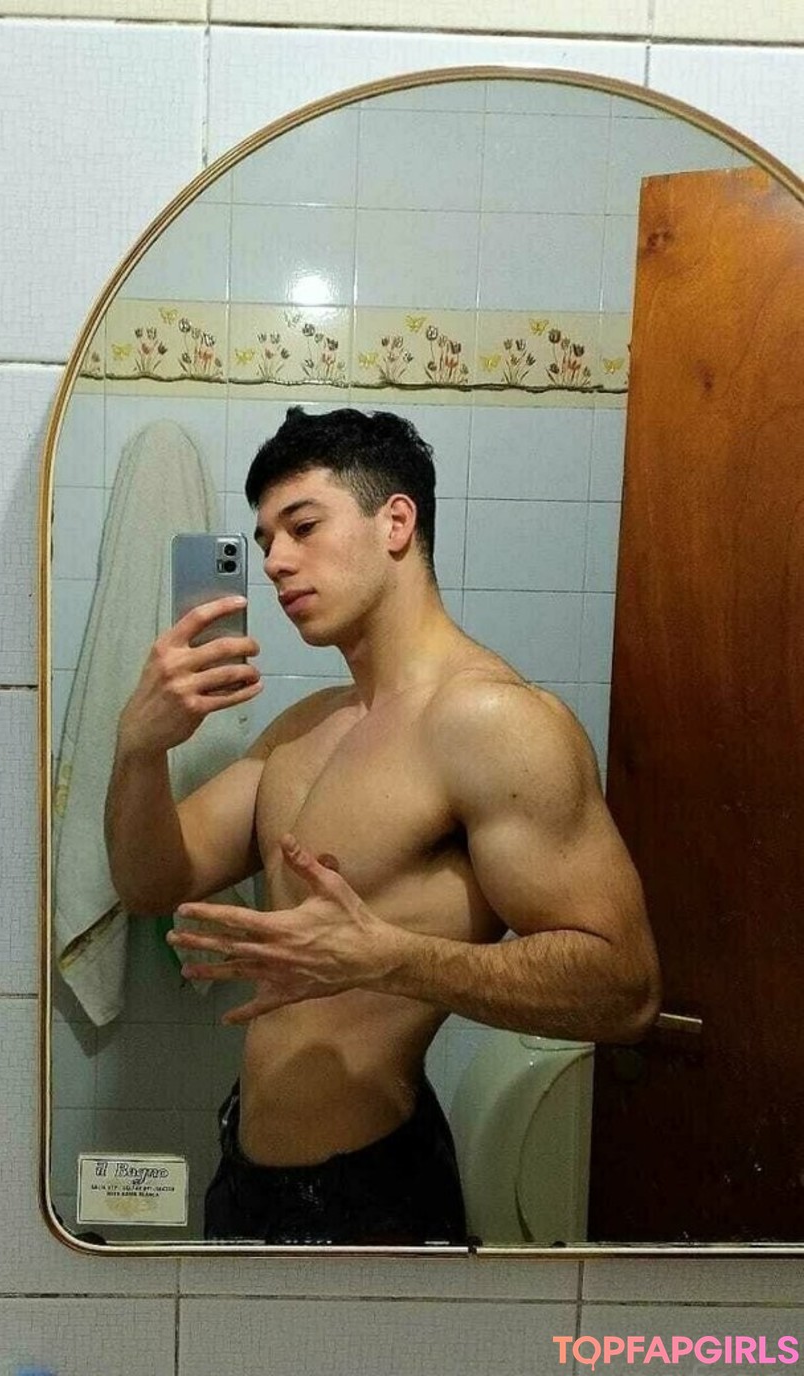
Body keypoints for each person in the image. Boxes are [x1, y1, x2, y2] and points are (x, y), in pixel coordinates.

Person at [104, 406, 661, 1245]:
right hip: (243, 1174)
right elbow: (150, 880)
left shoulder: (493, 723)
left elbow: (626, 989)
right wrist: (140, 748)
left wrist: (387, 958)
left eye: (303, 526)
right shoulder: (304, 728)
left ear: (396, 522)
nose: (276, 562)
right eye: (265, 541)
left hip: (372, 1193)